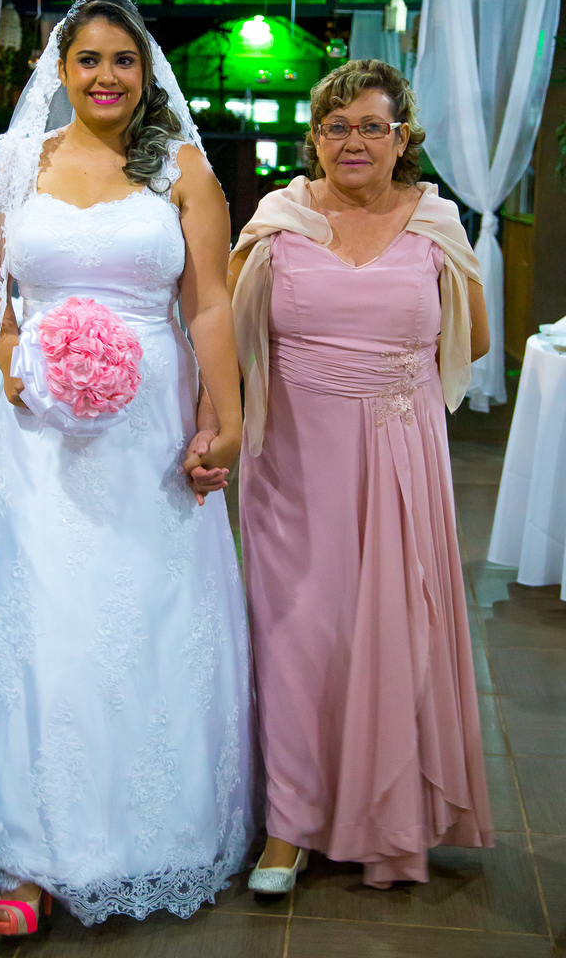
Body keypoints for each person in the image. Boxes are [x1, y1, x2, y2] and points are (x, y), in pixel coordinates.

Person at [0, 0, 253, 933]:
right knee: (43, 621)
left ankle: (144, 832)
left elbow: (209, 303)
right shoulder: (17, 165)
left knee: (141, 614)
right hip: (41, 434)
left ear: (146, 73)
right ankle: (31, 851)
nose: (106, 76)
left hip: (148, 436)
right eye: (88, 60)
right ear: (61, 70)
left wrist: (229, 413)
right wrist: (14, 363)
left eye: (123, 61)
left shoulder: (183, 170)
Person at [227, 58, 493, 892]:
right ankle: (289, 827)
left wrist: (395, 382)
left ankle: (386, 814)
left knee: (389, 634)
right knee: (298, 633)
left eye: (371, 126)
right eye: (335, 127)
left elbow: (475, 341)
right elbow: (225, 333)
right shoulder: (277, 220)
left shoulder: (437, 223)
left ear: (402, 138)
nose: (352, 141)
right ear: (313, 139)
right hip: (295, 461)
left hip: (399, 457)